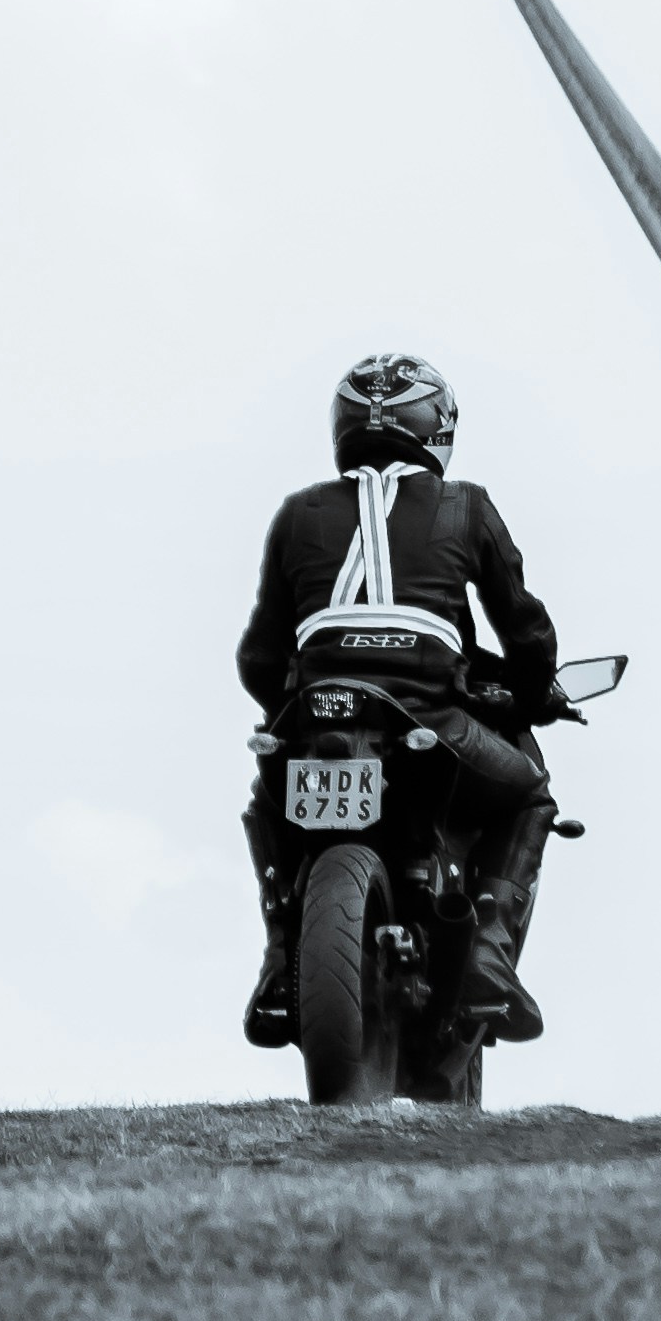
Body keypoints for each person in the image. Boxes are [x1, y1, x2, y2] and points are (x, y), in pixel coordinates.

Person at [237, 352, 561, 1049]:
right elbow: (526, 628)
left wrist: (293, 704)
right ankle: (488, 953)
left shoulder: (297, 513)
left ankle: (276, 960)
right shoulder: (466, 505)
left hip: (315, 717)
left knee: (265, 800)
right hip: (430, 720)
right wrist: (534, 694)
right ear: (435, 426)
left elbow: (258, 656)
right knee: (529, 790)